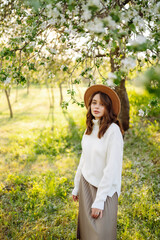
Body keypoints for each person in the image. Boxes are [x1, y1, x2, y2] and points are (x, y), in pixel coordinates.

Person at [72, 84, 124, 240]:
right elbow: (84, 159)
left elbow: (112, 168)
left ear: (108, 108)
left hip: (105, 190)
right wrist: (76, 187)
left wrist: (99, 201)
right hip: (86, 184)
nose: (97, 107)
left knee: (101, 234)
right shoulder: (89, 129)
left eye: (102, 104)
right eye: (94, 102)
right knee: (87, 232)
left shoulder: (113, 131)